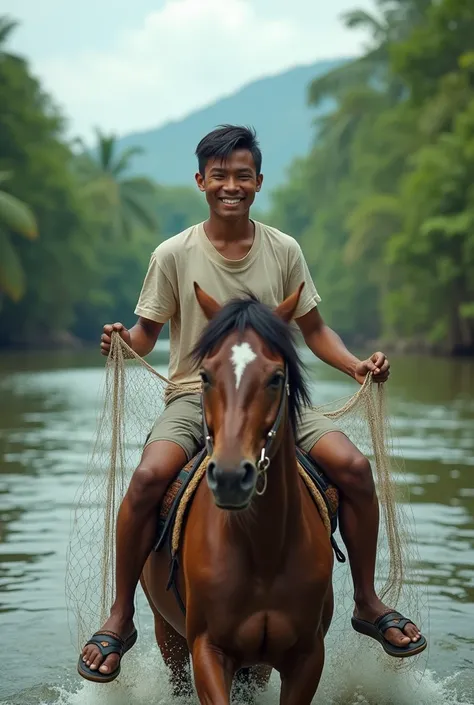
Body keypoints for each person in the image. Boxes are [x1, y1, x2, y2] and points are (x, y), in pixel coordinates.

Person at [78, 125, 426, 682]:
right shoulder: (173, 254)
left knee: (355, 469)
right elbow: (147, 332)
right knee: (148, 479)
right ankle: (121, 615)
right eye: (219, 176)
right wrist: (123, 340)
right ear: (200, 181)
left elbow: (313, 329)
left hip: (274, 396)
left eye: (242, 175)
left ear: (259, 182)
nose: (230, 186)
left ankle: (366, 600)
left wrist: (356, 365)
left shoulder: (283, 249)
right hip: (198, 393)